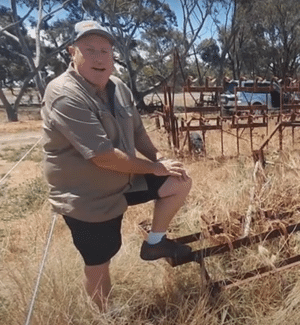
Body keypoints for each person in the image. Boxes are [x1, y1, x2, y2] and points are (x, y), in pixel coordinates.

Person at [41, 20, 193, 311]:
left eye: (105, 50)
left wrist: (158, 159)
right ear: (72, 52)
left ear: (113, 56)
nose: (99, 57)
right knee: (100, 261)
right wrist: (152, 169)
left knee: (179, 181)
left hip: (124, 179)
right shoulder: (64, 94)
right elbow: (103, 157)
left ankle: (155, 244)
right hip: (87, 195)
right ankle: (106, 313)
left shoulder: (119, 87)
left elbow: (136, 131)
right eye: (90, 50)